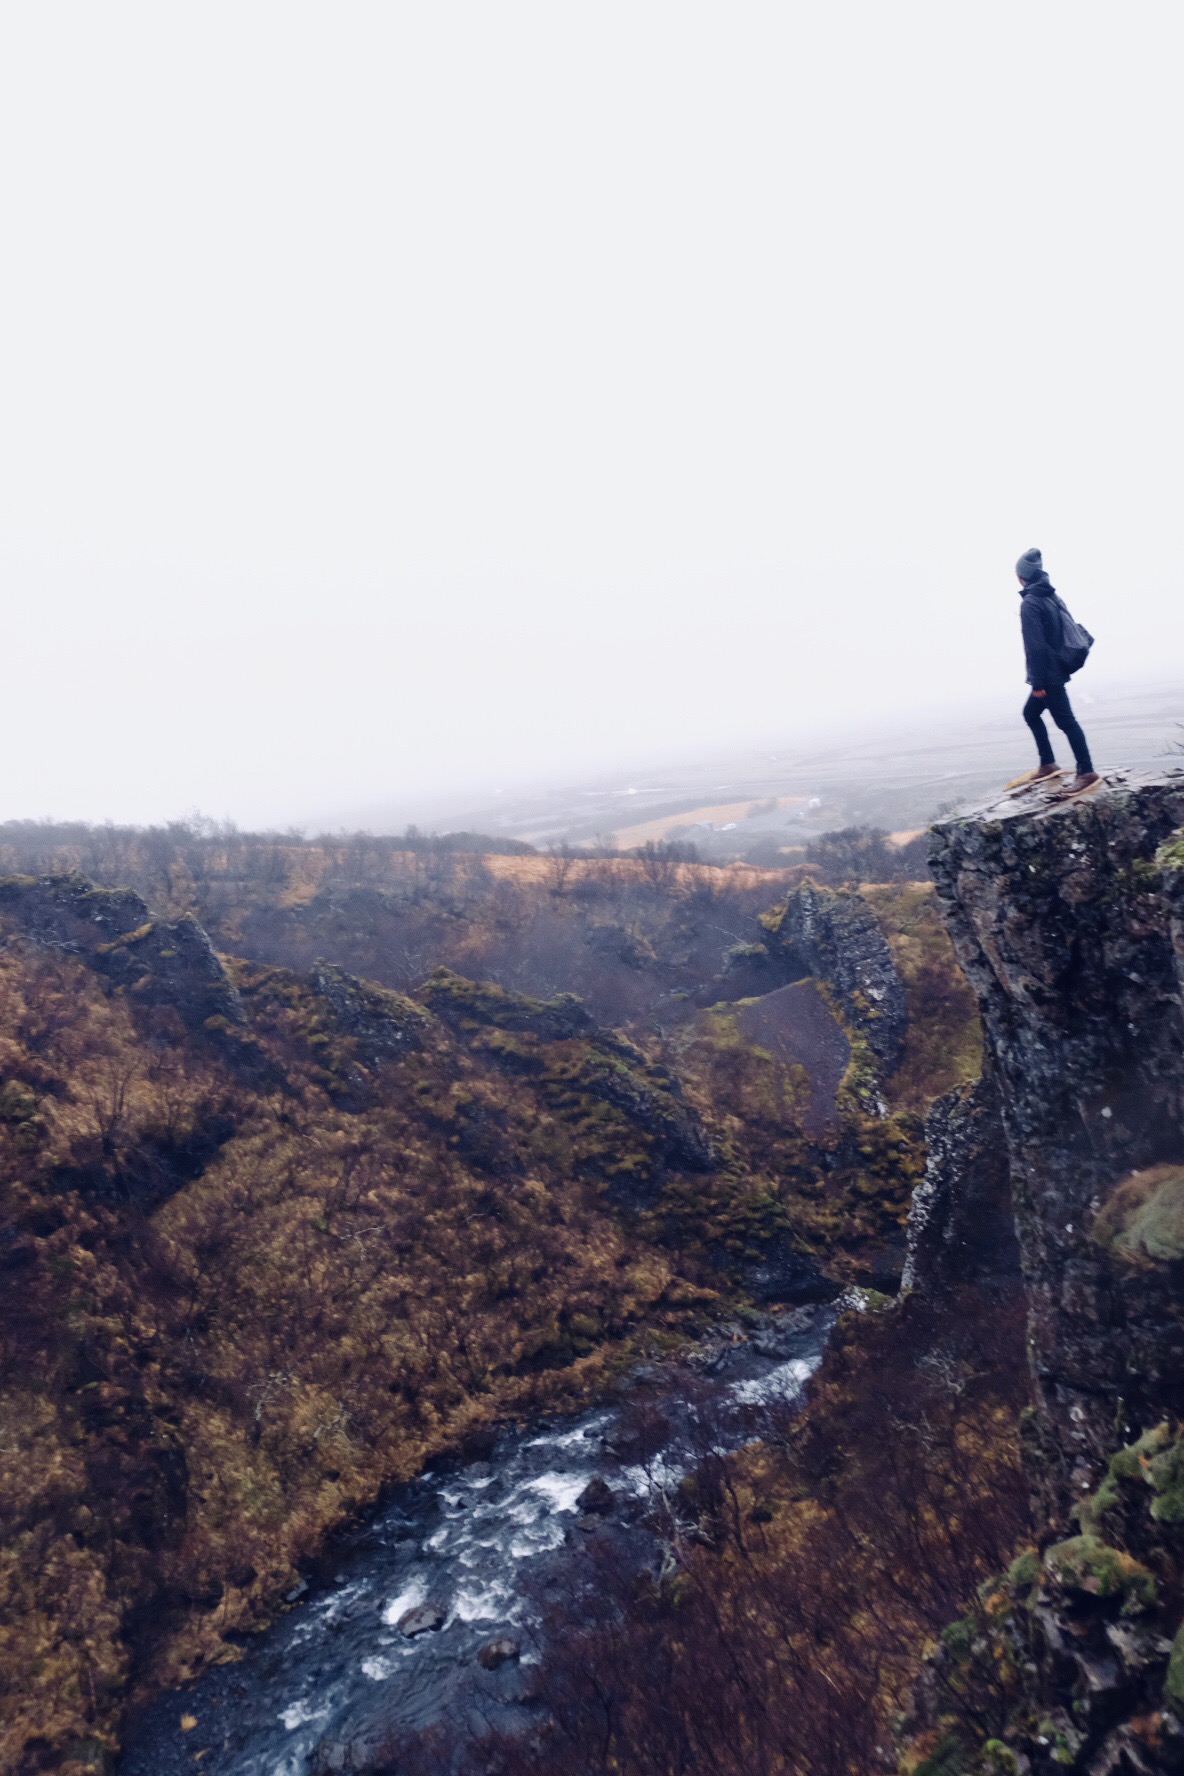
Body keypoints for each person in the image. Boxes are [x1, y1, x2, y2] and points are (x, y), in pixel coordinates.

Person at [1016, 547, 1098, 794]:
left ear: (1022, 576)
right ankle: (1048, 764)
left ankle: (1086, 772)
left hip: (1047, 675)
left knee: (1067, 722)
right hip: (1056, 668)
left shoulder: (1031, 603)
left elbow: (1036, 647)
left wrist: (1038, 683)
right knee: (1031, 713)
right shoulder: (1051, 597)